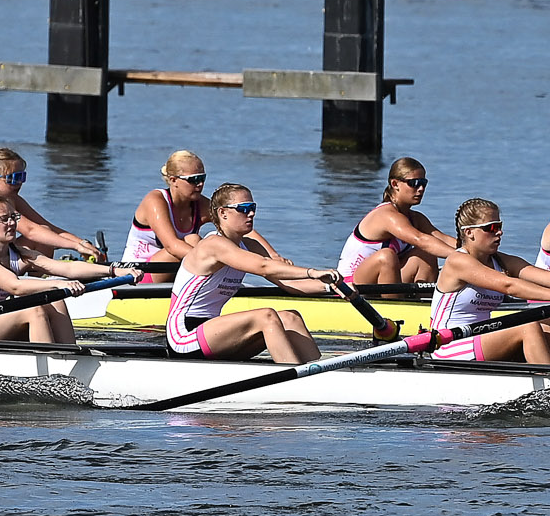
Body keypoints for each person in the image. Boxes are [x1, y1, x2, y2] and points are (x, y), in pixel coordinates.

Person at [421, 199, 550, 364]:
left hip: (481, 338)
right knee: (528, 326)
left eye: (500, 225)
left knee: (548, 320)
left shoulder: (502, 260)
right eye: (491, 228)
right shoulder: (458, 261)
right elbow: (508, 285)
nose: (500, 232)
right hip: (449, 345)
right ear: (469, 233)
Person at [165, 184, 337, 361]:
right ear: (223, 213)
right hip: (184, 336)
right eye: (244, 209)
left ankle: (319, 374)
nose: (251, 214)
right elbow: (264, 266)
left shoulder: (251, 246)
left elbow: (290, 284)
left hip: (213, 333)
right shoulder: (213, 245)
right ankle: (292, 380)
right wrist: (312, 272)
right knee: (266, 316)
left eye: (252, 207)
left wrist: (333, 286)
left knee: (290, 318)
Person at [0, 194, 134, 343]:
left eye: (13, 217)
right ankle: (48, 377)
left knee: (56, 300)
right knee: (34, 310)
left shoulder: (19, 252)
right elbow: (15, 287)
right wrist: (57, 285)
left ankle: (69, 356)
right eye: (4, 219)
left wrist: (114, 271)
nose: (11, 223)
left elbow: (66, 269)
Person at [0, 147, 100, 265]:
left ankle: (37, 280)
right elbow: (31, 231)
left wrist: (83, 243)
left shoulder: (13, 199)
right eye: (12, 178)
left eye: (22, 177)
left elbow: (50, 229)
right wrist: (75, 247)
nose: (19, 183)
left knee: (45, 232)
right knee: (40, 236)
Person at [338, 157, 458, 284]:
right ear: (395, 184)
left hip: (381, 281)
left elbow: (442, 239)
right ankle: (394, 302)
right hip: (350, 285)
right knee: (386, 256)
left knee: (425, 254)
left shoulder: (416, 218)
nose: (421, 188)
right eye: (414, 183)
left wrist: (473, 253)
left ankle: (421, 300)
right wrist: (462, 258)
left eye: (423, 183)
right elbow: (421, 240)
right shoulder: (386, 215)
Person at [123, 149, 212, 263]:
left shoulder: (201, 204)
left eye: (202, 178)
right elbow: (172, 246)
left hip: (175, 270)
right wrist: (213, 259)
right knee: (192, 241)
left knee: (197, 239)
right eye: (194, 179)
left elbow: (232, 223)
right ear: (173, 180)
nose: (200, 184)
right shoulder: (155, 200)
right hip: (138, 272)